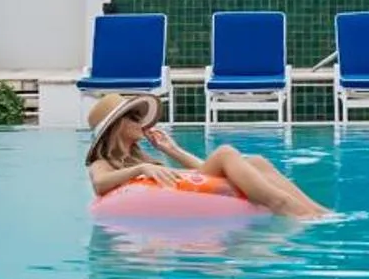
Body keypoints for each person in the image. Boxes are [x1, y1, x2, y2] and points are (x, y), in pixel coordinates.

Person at [85, 93, 332, 219]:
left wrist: (173, 150)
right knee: (225, 153)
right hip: (164, 193)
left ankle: (317, 211)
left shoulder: (146, 157)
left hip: (185, 186)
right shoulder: (104, 163)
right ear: (117, 126)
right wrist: (140, 170)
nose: (142, 122)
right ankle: (283, 205)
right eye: (134, 118)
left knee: (255, 162)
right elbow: (99, 184)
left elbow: (207, 172)